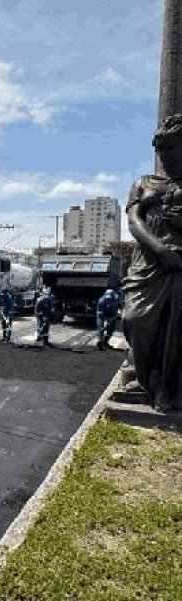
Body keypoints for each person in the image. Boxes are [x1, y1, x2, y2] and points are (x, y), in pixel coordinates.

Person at [122, 113, 182, 411]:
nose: (164, 155)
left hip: (179, 267)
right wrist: (160, 250)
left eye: (171, 148)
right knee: (134, 321)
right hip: (148, 264)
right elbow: (134, 222)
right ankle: (147, 380)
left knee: (174, 330)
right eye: (160, 150)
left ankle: (165, 390)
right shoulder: (143, 183)